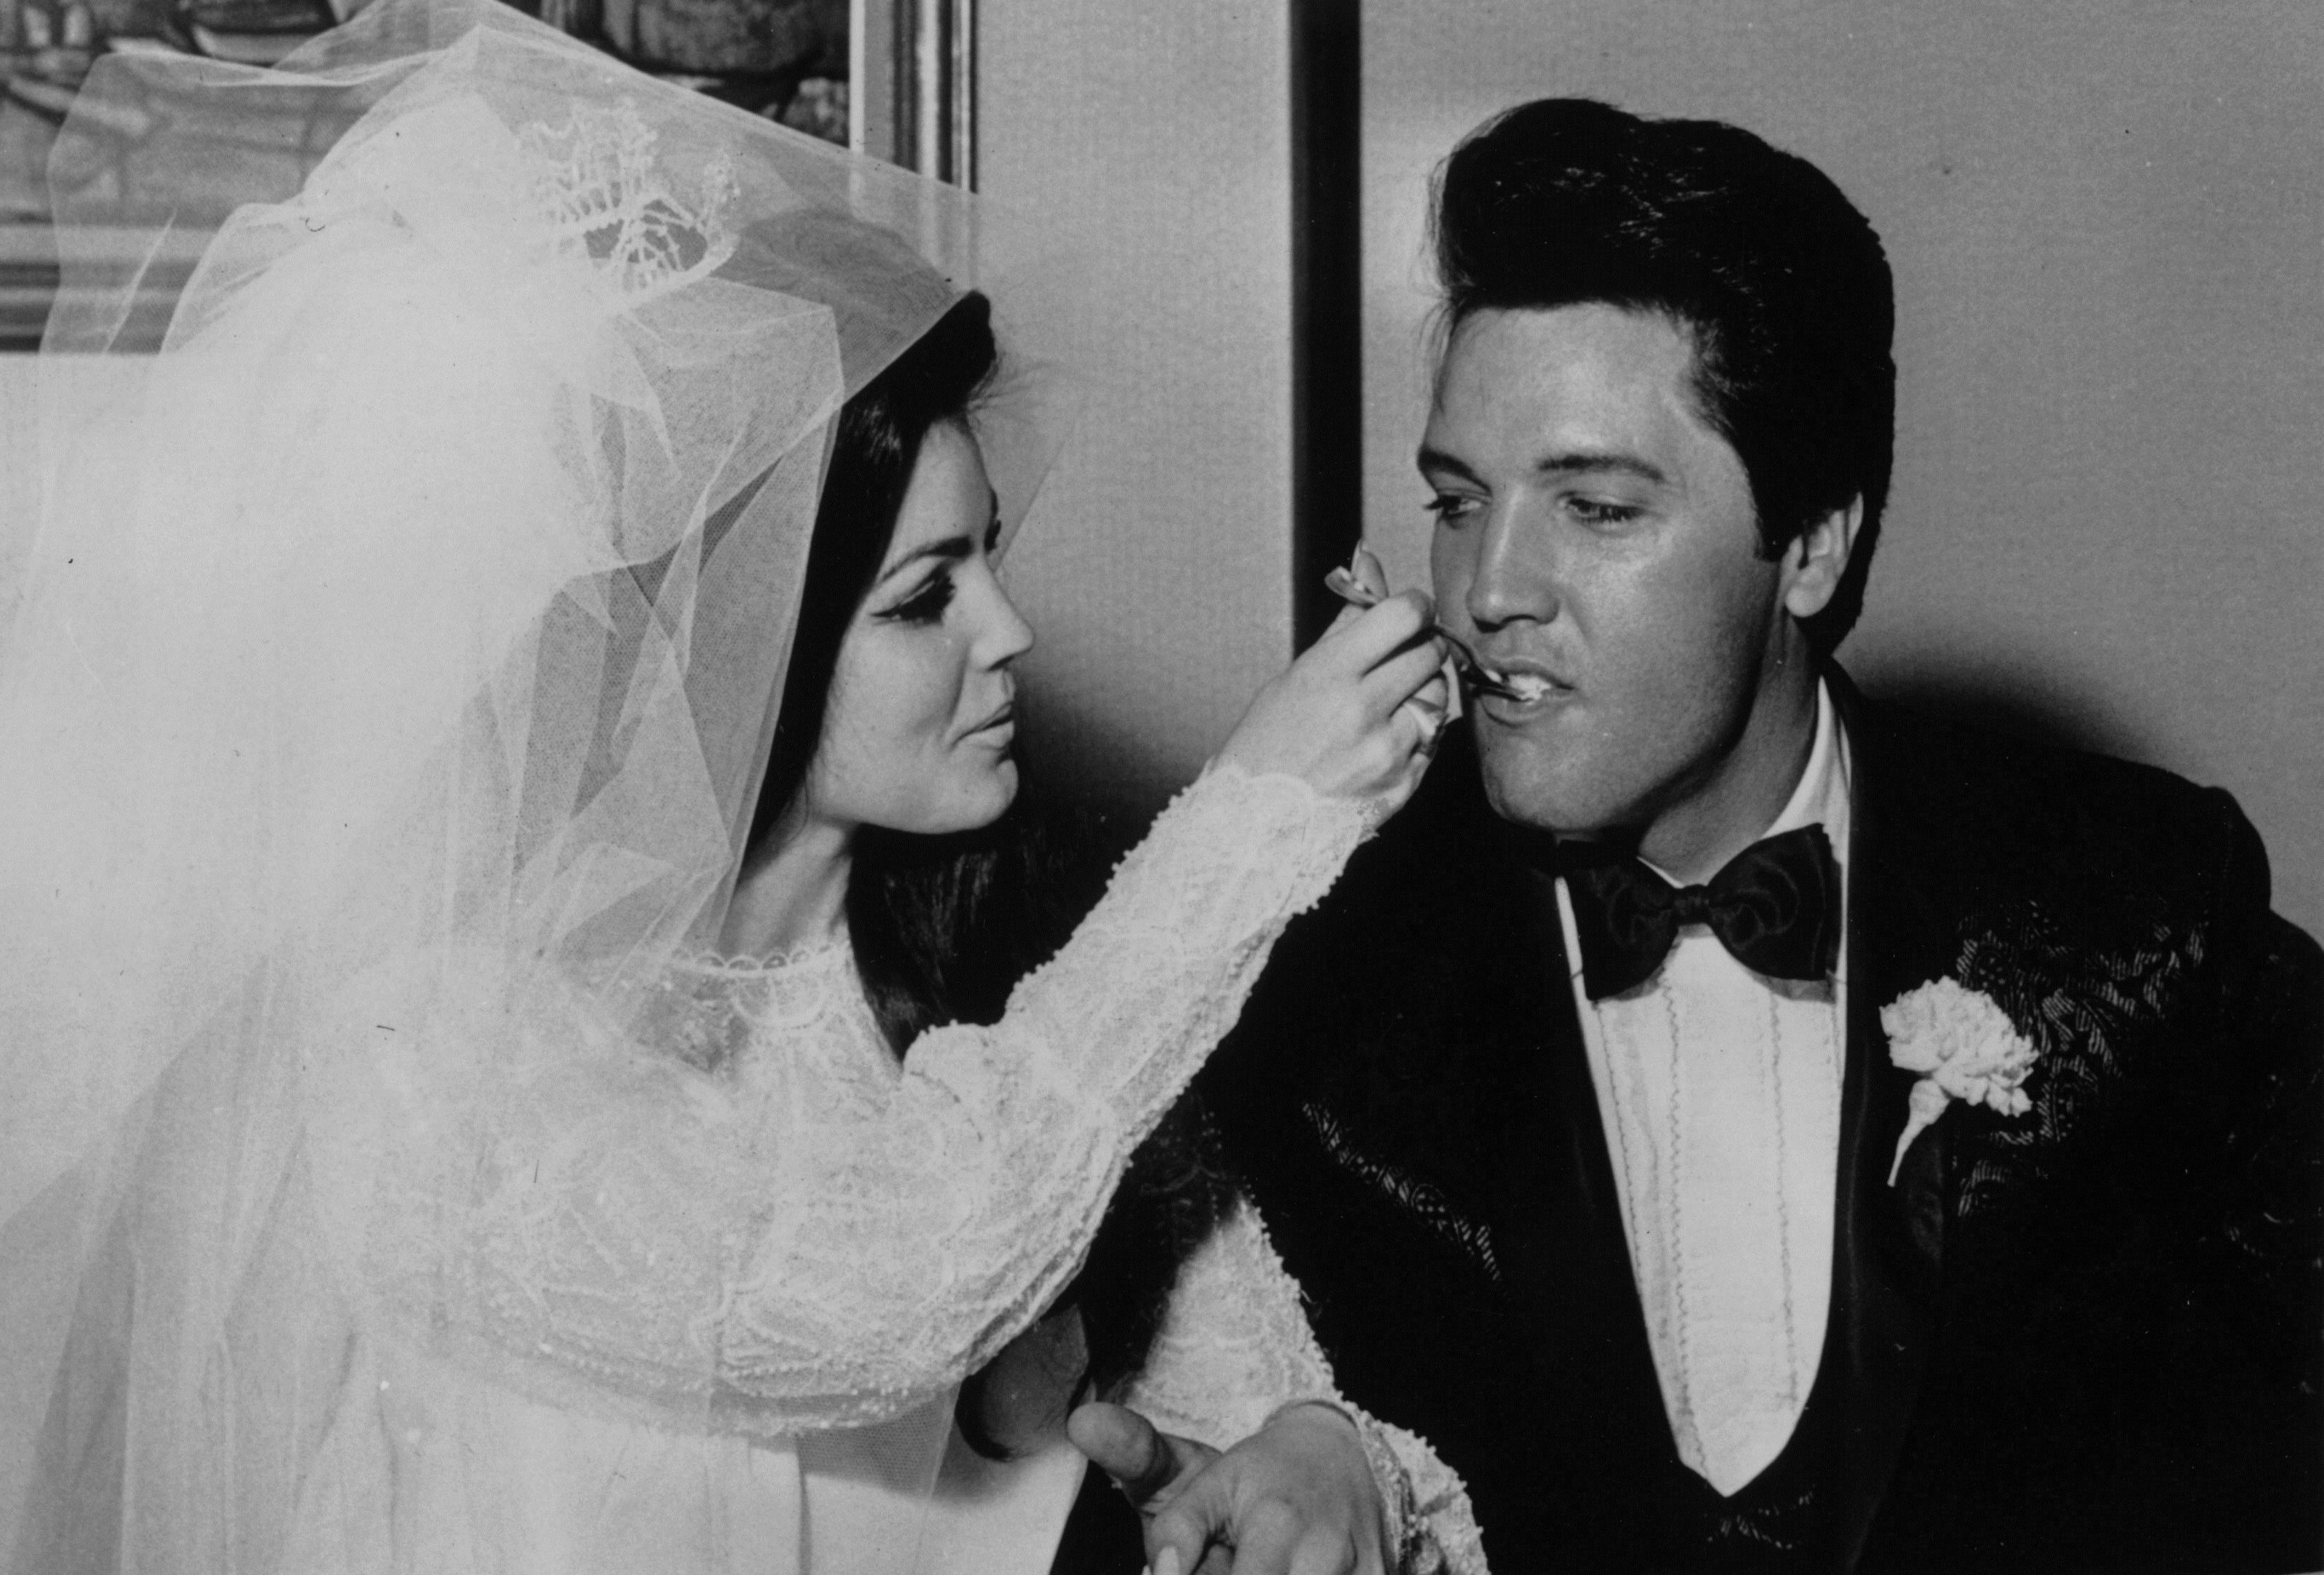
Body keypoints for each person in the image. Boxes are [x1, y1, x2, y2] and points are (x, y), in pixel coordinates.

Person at [0, 4, 1472, 1570]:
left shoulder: (1005, 991)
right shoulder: (427, 1058)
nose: (1011, 632)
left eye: (990, 562)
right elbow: (881, 1294)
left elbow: (1263, 1410)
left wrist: (1328, 1457)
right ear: (724, 651)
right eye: (924, 597)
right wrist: (1255, 818)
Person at [1078, 98, 2323, 1574]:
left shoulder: (2139, 907)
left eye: (1596, 508)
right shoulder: (1313, 983)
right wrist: (1320, 1464)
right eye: (1456, 503)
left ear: (1809, 546)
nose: (1489, 590)